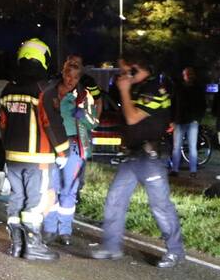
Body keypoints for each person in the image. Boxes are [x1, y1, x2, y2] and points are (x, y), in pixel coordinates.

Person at [92, 52, 184, 269]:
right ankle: (112, 247)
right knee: (115, 199)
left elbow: (133, 118)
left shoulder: (153, 90)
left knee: (160, 205)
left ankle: (175, 251)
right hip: (133, 156)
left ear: (136, 69)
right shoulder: (138, 89)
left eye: (125, 70)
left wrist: (124, 90)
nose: (121, 74)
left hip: (150, 157)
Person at [0, 38, 69, 261]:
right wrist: (63, 151)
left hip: (13, 158)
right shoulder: (43, 90)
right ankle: (34, 247)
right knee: (36, 201)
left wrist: (7, 151)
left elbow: (2, 124)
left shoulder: (7, 89)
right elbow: (51, 122)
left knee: (16, 198)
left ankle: (17, 245)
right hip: (38, 157)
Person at [42, 55, 97, 245]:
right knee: (50, 188)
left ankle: (65, 231)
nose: (70, 80)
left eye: (74, 77)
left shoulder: (84, 96)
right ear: (63, 73)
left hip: (73, 146)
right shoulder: (50, 92)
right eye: (67, 75)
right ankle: (50, 229)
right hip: (52, 146)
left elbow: (93, 123)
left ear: (79, 78)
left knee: (68, 190)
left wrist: (81, 113)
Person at [170, 66, 206, 178]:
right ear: (184, 75)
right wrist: (172, 120)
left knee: (192, 146)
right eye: (187, 74)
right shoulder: (178, 88)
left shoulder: (198, 88)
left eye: (190, 74)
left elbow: (203, 105)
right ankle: (175, 170)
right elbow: (173, 104)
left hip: (192, 121)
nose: (189, 76)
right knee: (177, 147)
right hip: (179, 121)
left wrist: (198, 119)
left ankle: (193, 170)